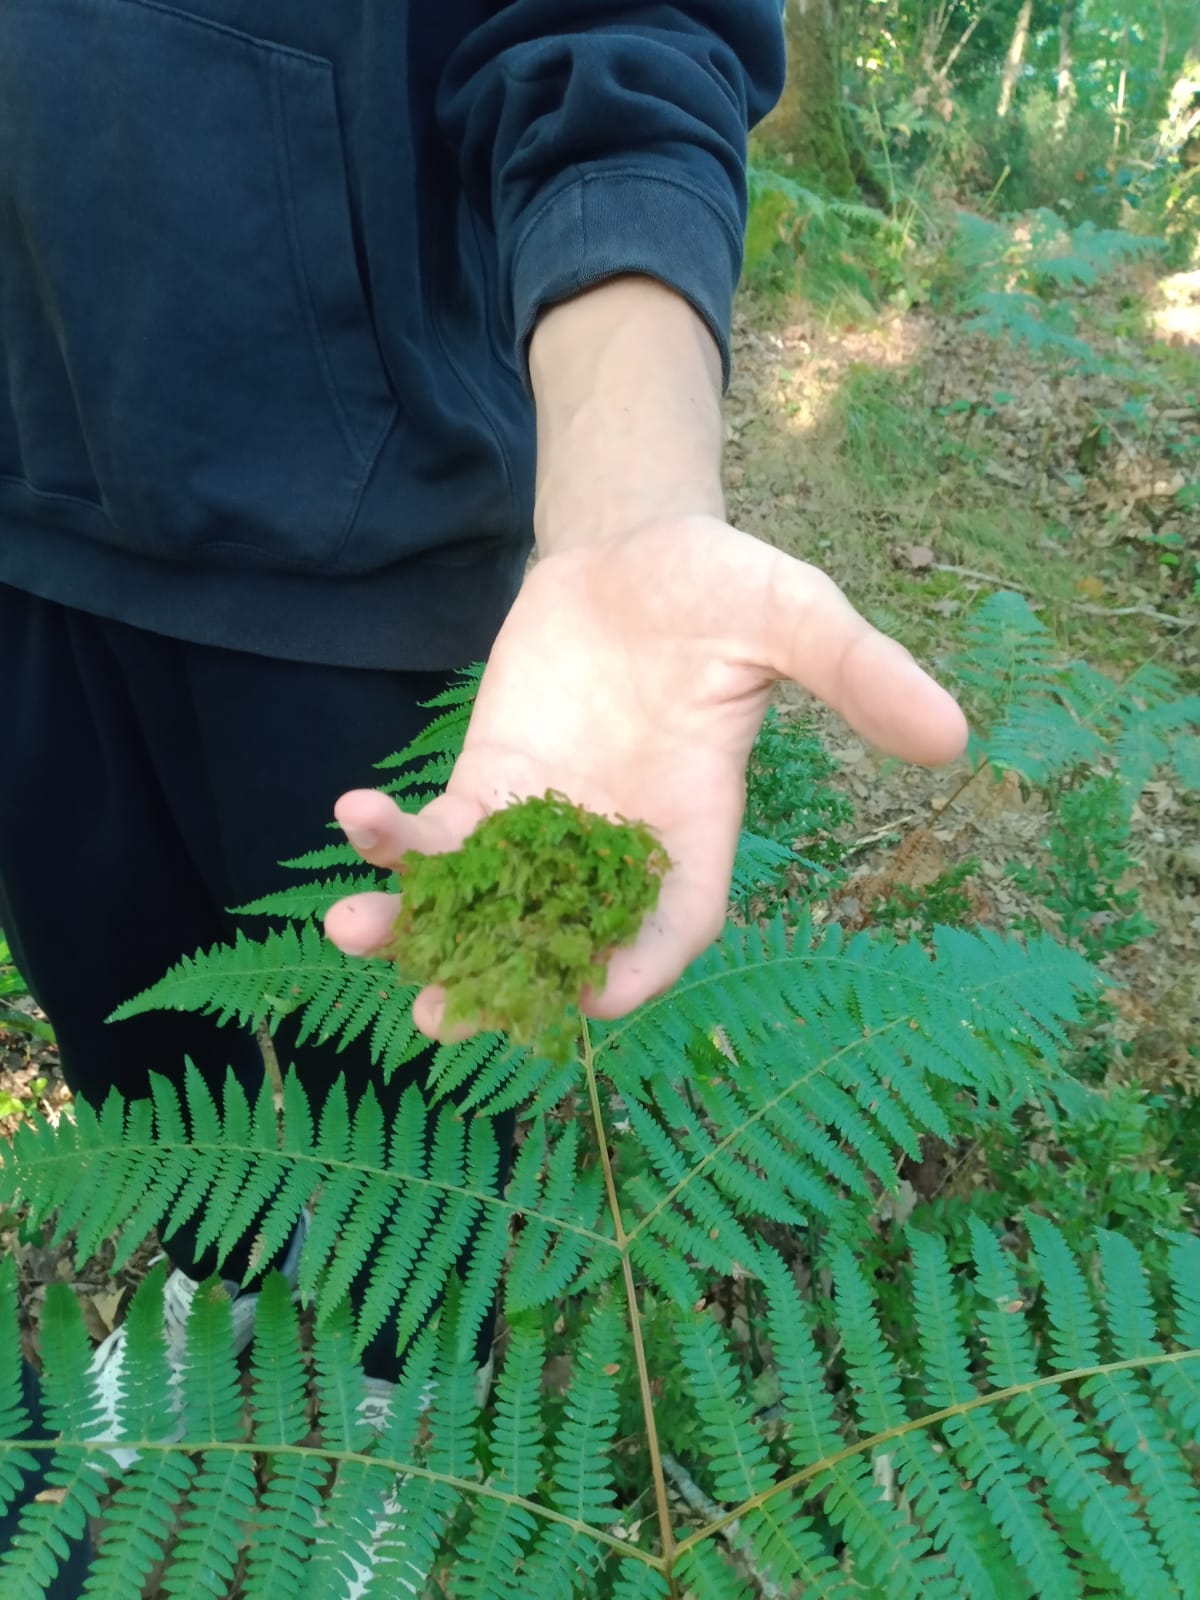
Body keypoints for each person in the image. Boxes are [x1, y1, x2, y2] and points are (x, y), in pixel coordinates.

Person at [0, 1, 967, 1588]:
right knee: (117, 998)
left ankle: (396, 1389)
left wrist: (629, 495)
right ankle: (213, 1290)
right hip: (27, 521)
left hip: (355, 532)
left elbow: (621, 40)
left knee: (414, 1058)